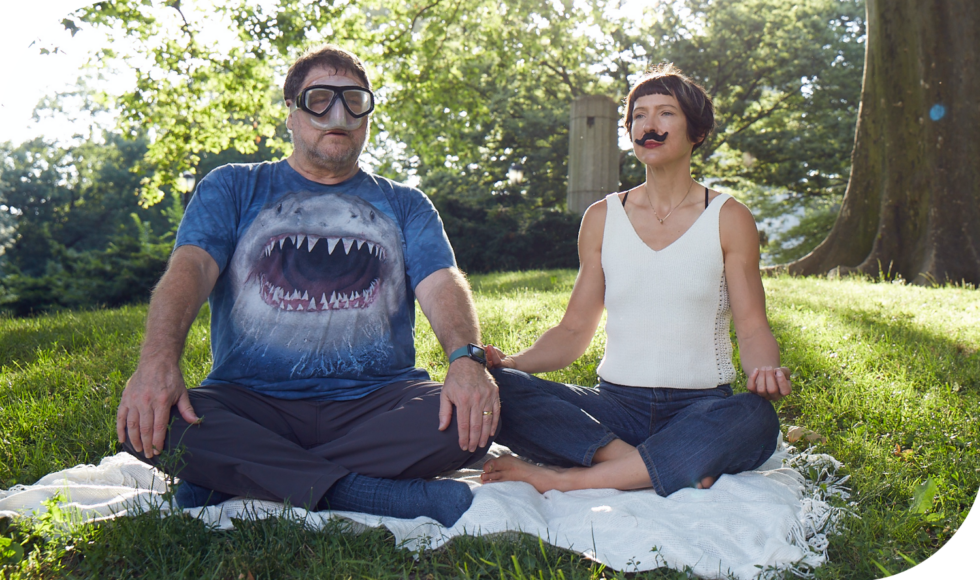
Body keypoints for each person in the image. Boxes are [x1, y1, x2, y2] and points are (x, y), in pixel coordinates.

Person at [116, 45, 499, 527]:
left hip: (378, 402)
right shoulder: (232, 186)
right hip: (249, 400)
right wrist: (156, 362)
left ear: (368, 117)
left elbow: (442, 282)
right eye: (319, 98)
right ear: (291, 114)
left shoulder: (407, 203)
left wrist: (465, 362)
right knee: (151, 424)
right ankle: (366, 493)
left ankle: (242, 473)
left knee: (467, 422)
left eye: (355, 100)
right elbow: (189, 270)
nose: (338, 113)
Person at [480, 64, 790, 497]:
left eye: (666, 113)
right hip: (615, 408)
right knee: (498, 388)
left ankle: (571, 478)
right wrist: (512, 364)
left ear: (696, 132)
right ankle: (663, 462)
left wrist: (765, 372)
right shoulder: (602, 218)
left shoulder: (729, 217)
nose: (649, 125)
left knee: (754, 419)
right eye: (639, 115)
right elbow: (573, 331)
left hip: (699, 407)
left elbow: (753, 325)